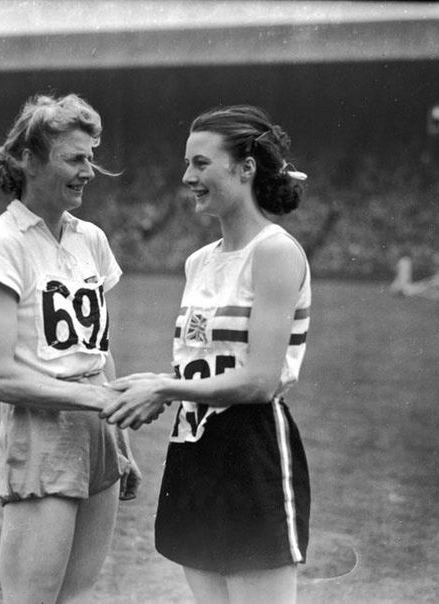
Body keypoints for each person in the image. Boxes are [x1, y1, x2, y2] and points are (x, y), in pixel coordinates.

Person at [103, 105, 312, 604]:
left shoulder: (275, 252)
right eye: (187, 164)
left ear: (246, 167)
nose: (187, 177)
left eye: (200, 164)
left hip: (251, 446)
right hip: (194, 445)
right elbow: (205, 362)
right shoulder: (198, 262)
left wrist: (167, 388)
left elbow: (260, 381)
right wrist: (157, 382)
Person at [0, 93, 140, 604]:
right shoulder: (0, 245)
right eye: (75, 159)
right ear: (30, 161)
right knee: (32, 598)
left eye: (90, 157)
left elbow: (99, 352)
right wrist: (97, 400)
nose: (89, 171)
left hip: (98, 431)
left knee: (77, 594)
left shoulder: (92, 240)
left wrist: (121, 441)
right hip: (42, 430)